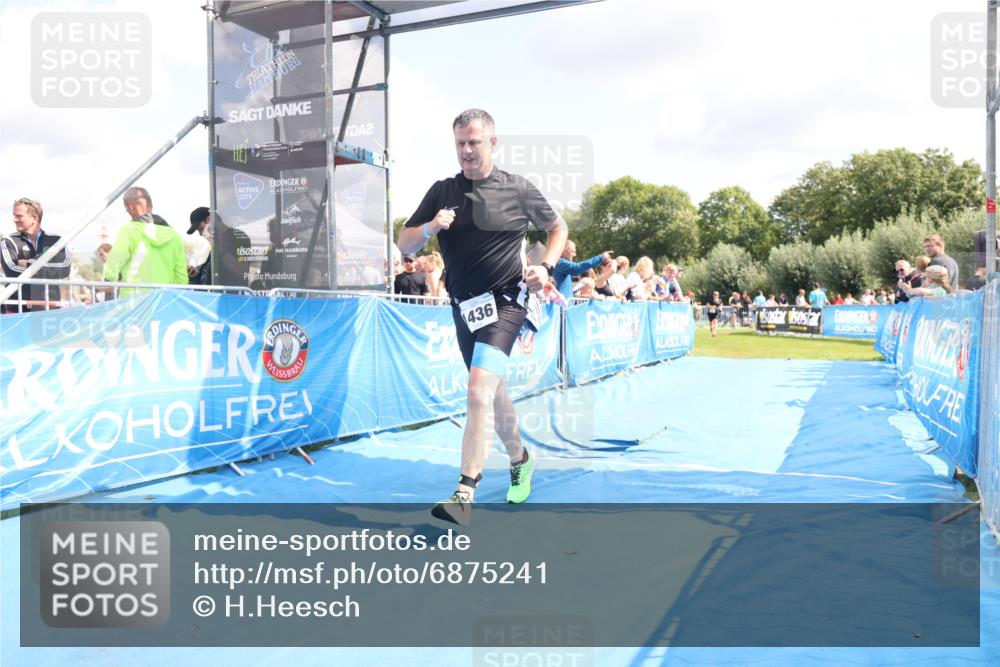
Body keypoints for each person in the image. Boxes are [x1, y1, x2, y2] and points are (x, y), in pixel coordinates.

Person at [396, 108, 567, 525]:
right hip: (465, 307)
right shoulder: (442, 191)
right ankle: (521, 459)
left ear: (493, 143)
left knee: (476, 392)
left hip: (508, 302)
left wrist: (545, 267)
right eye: (460, 143)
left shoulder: (518, 188)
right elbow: (405, 243)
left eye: (474, 142)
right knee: (492, 393)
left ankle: (463, 493)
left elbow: (558, 228)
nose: (466, 151)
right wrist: (431, 227)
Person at [103, 187, 187, 292]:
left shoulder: (129, 230)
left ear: (129, 207)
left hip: (135, 301)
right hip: (164, 300)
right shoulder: (175, 236)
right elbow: (182, 279)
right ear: (151, 205)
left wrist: (108, 279)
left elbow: (114, 263)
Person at [1, 197, 71, 312]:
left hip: (50, 309)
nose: (14, 219)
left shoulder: (56, 240)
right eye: (14, 215)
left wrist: (28, 263)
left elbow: (65, 269)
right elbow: (11, 270)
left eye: (19, 216)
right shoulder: (8, 241)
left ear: (35, 217)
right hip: (18, 310)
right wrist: (49, 270)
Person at [186, 206, 213, 285]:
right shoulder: (213, 251)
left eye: (200, 229)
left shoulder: (233, 239)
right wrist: (196, 275)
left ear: (209, 220)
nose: (200, 234)